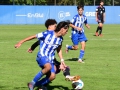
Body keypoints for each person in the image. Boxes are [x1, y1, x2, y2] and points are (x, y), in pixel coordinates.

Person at [15, 20, 70, 90]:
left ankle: (34, 85)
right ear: (62, 29)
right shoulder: (47, 33)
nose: (67, 32)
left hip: (50, 59)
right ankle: (32, 82)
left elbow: (59, 49)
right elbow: (34, 36)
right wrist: (21, 42)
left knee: (52, 76)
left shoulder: (60, 39)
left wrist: (62, 60)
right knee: (48, 67)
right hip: (42, 56)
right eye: (66, 30)